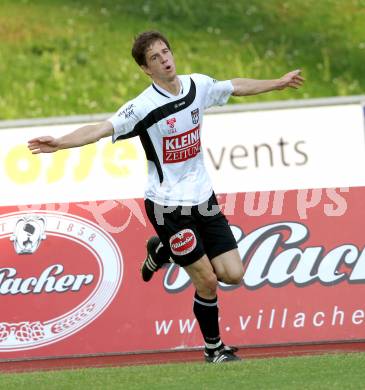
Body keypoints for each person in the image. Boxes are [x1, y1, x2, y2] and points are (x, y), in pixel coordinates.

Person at [28, 30, 304, 363]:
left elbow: (233, 86)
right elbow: (101, 128)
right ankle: (213, 348)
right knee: (207, 280)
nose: (165, 59)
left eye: (166, 52)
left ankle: (161, 249)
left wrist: (277, 82)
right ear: (146, 69)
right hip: (167, 207)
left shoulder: (197, 85)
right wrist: (60, 142)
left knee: (233, 274)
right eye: (155, 58)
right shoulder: (143, 107)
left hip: (203, 198)